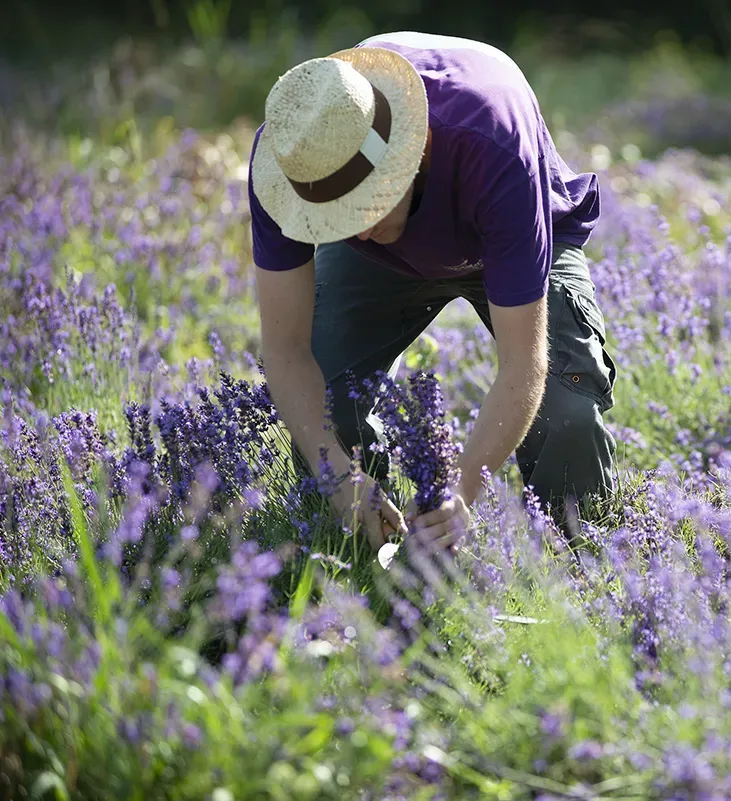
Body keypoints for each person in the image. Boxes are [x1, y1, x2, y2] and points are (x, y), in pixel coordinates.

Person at [246, 31, 617, 560]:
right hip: (381, 266)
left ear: (410, 154)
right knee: (323, 412)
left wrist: (462, 493)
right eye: (337, 216)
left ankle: (582, 560)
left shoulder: (489, 141)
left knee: (568, 416)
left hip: (499, 231)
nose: (357, 225)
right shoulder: (296, 155)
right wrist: (338, 476)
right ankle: (360, 545)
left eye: (368, 204)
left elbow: (522, 365)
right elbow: (285, 351)